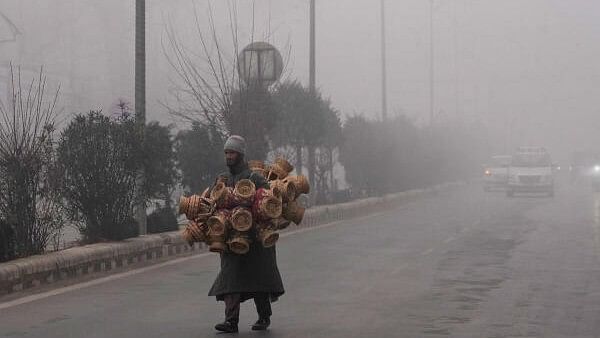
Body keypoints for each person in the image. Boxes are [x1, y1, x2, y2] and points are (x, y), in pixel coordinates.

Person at [208, 135, 285, 333]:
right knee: (231, 276)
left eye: (232, 152)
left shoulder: (255, 178)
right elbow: (212, 204)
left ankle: (264, 316)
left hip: (255, 240)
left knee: (258, 278)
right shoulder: (222, 180)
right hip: (231, 240)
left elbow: (269, 204)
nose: (228, 156)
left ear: (241, 154)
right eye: (226, 153)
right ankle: (231, 321)